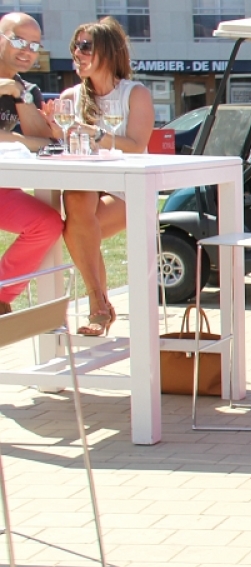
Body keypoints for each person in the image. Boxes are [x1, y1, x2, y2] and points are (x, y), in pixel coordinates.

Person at [53, 17, 155, 336]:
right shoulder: (71, 97)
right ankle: (99, 303)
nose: (77, 53)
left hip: (129, 188)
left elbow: (136, 146)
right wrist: (55, 132)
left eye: (85, 46)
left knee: (77, 227)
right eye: (75, 47)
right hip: (87, 187)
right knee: (76, 199)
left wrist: (94, 134)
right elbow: (62, 146)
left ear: (109, 51)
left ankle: (99, 304)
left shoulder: (134, 94)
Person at [0, 11, 61, 315]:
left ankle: (2, 295)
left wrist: (20, 97)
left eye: (34, 45)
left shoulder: (26, 90)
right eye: (19, 40)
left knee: (47, 223)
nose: (27, 51)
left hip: (4, 186)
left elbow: (45, 144)